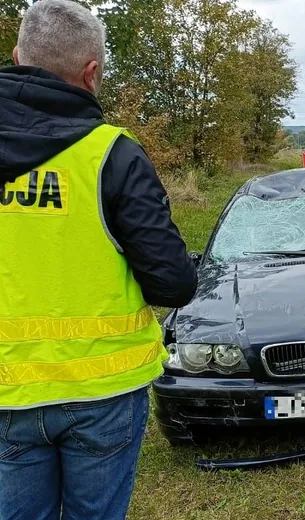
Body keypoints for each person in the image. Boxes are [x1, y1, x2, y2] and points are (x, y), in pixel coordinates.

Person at [0, 1, 198, 519]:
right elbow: (173, 285)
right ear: (91, 73)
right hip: (104, 393)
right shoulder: (113, 155)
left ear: (18, 55)